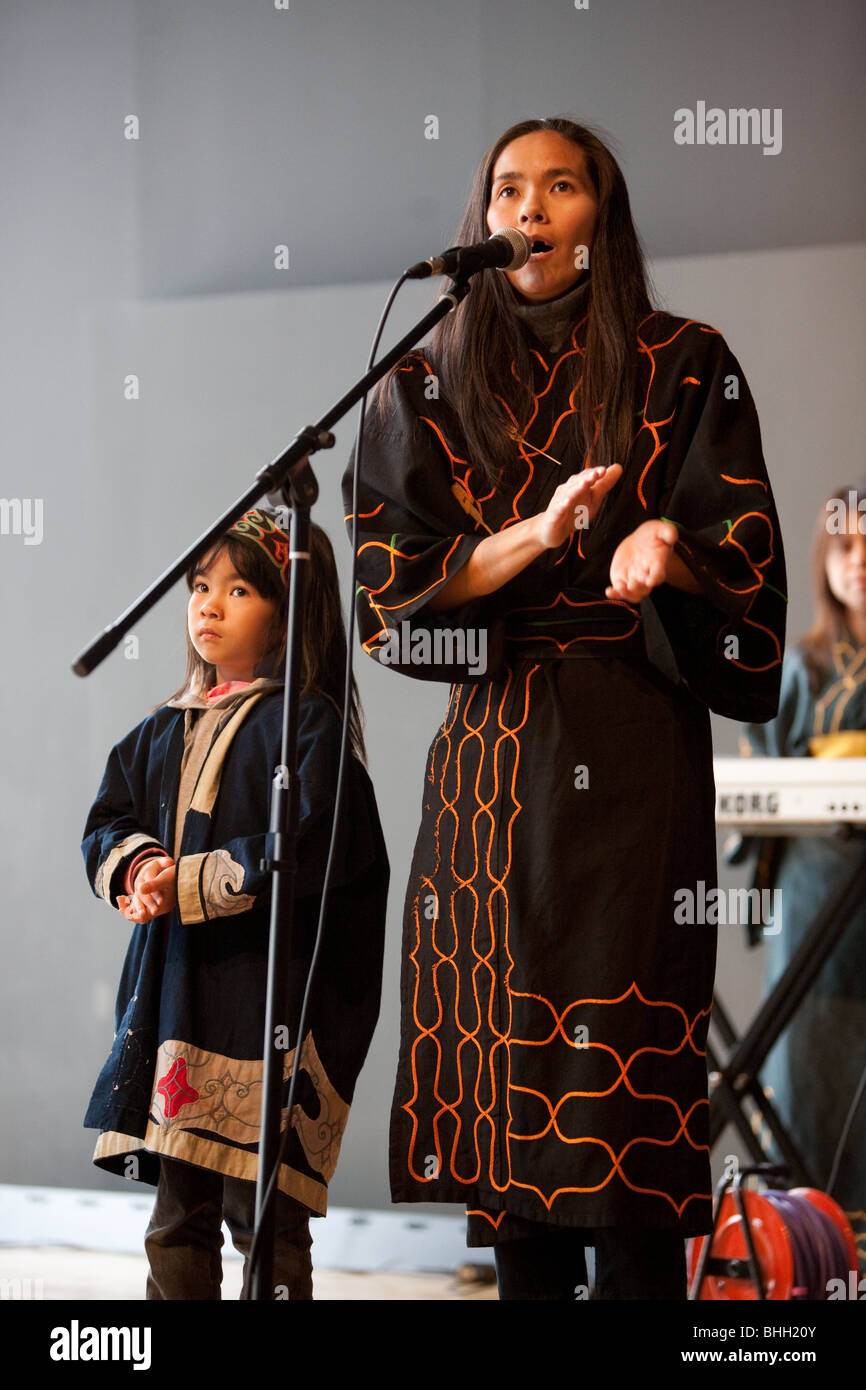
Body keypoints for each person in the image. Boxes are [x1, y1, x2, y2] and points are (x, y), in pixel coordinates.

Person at [343, 116, 787, 1300]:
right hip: (489, 767)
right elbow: (392, 604)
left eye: (558, 187)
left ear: (603, 216)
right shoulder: (425, 373)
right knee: (511, 1155)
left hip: (629, 752)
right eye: (505, 188)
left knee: (620, 1134)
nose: (527, 208)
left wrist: (668, 550)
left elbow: (742, 563)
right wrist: (529, 539)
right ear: (479, 220)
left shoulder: (685, 357)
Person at [82, 508, 389, 1299]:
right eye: (200, 585)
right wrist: (140, 865)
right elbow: (108, 820)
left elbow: (309, 849)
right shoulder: (162, 733)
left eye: (240, 588)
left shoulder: (309, 732)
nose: (207, 605)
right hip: (180, 1011)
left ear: (291, 612)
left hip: (269, 1015)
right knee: (176, 1218)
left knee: (267, 1224)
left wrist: (184, 884)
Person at [742, 482, 866, 1272]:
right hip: (815, 882)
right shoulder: (807, 665)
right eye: (848, 548)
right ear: (828, 560)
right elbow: (766, 778)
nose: (860, 565)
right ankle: (814, 1242)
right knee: (808, 1051)